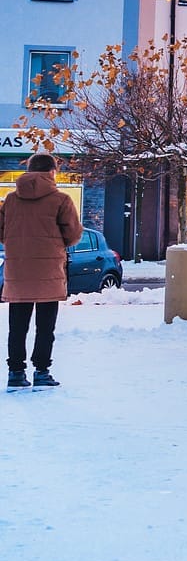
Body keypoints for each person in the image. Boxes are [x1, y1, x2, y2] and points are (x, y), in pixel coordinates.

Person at [1, 152, 82, 390]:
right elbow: (73, 234)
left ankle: (15, 372)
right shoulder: (61, 199)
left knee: (17, 326)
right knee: (45, 326)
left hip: (17, 271)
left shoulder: (11, 200)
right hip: (49, 270)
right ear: (51, 172)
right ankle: (42, 371)